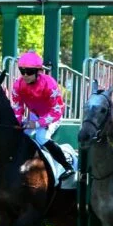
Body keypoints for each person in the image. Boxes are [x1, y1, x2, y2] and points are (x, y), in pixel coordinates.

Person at [11, 52, 74, 183]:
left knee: (41, 137)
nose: (25, 75)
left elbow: (57, 110)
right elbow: (18, 108)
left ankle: (66, 166)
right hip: (35, 115)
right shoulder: (17, 85)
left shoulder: (49, 83)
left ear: (38, 71)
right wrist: (16, 122)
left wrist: (38, 123)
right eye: (22, 71)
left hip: (52, 115)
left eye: (29, 71)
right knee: (21, 135)